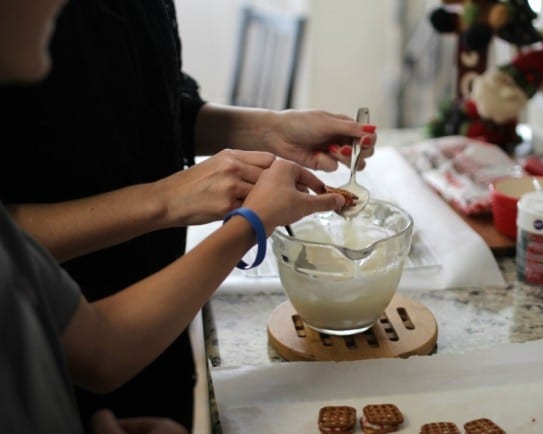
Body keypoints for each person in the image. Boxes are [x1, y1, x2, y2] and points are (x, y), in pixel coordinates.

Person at [0, 0, 377, 431]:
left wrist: (269, 130)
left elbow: (149, 103)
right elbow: (98, 353)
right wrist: (189, 206)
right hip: (87, 331)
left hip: (153, 337)